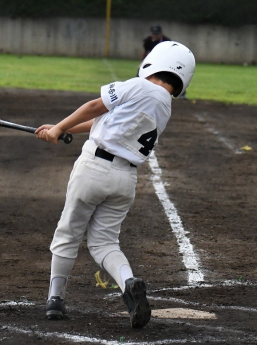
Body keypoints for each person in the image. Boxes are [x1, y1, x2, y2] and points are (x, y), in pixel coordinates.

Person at [35, 41, 195, 329]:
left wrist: (59, 127)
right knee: (105, 242)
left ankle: (55, 299)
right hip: (125, 180)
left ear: (154, 61)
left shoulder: (138, 86)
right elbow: (102, 120)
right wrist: (61, 128)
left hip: (93, 169)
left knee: (69, 233)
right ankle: (127, 283)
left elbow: (95, 106)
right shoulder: (164, 105)